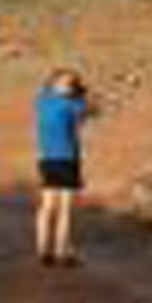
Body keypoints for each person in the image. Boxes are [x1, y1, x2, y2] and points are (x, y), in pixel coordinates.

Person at [34, 68, 94, 267]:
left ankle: (43, 250)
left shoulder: (42, 101)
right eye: (68, 83)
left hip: (47, 159)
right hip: (67, 159)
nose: (70, 87)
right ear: (56, 84)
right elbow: (88, 113)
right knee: (64, 208)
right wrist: (83, 96)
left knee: (48, 206)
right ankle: (61, 251)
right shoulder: (72, 104)